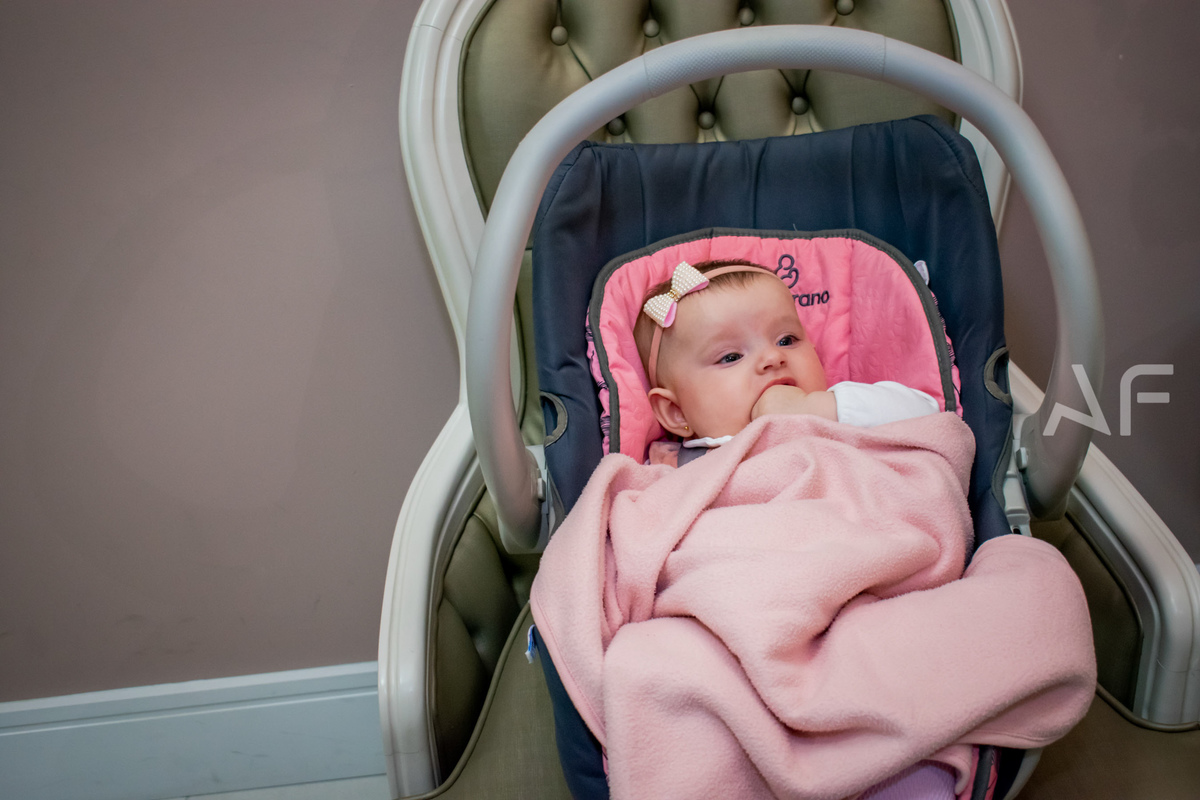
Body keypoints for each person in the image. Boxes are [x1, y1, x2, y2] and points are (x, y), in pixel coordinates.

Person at [633, 259, 941, 467]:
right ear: (676, 412)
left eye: (786, 340)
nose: (772, 358)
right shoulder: (672, 470)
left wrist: (817, 410)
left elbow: (931, 420)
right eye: (731, 357)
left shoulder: (845, 415)